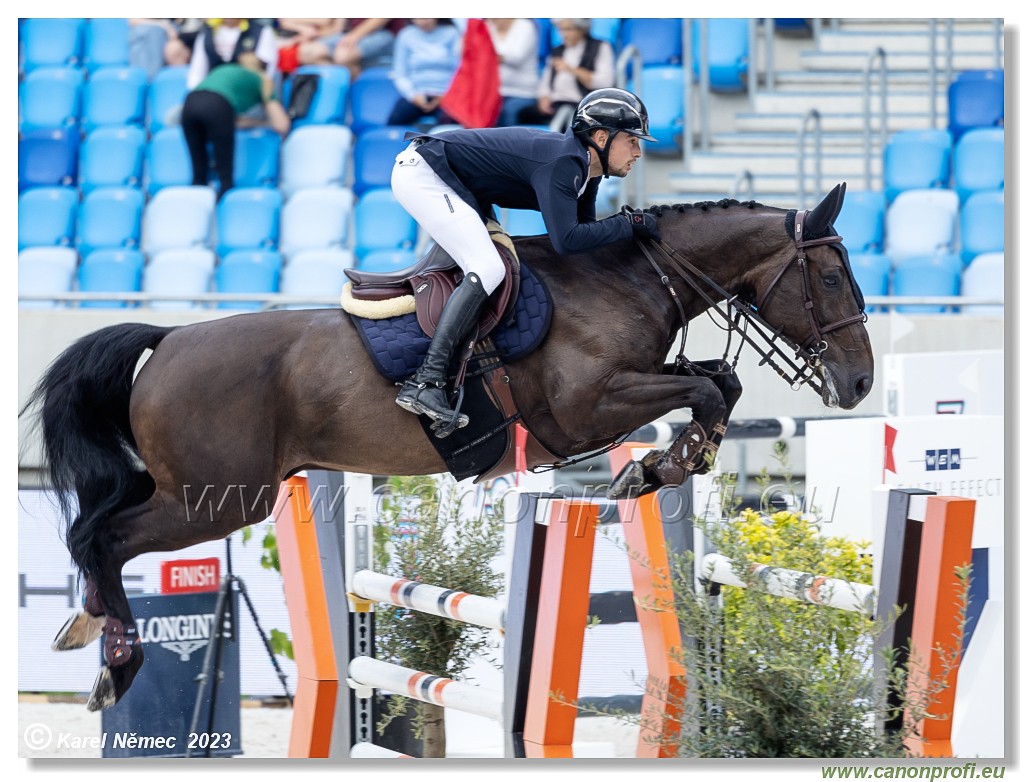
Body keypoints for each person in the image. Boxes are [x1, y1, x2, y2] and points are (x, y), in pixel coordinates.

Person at [391, 87, 659, 433]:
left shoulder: (586, 171)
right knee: (488, 267)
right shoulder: (565, 163)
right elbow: (567, 240)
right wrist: (629, 223)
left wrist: (630, 234)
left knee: (495, 264)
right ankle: (426, 381)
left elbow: (587, 240)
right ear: (601, 137)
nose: (638, 152)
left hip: (456, 183)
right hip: (425, 175)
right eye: (632, 141)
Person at [180, 52, 291, 199]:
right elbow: (282, 125)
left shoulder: (223, 70)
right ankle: (225, 207)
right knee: (225, 177)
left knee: (199, 175)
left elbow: (231, 118)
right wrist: (264, 122)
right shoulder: (261, 79)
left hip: (189, 104)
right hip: (218, 105)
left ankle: (196, 207)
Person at [518, 18, 614, 130]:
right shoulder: (557, 51)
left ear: (582, 30)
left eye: (568, 29)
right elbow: (545, 82)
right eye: (561, 30)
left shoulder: (600, 47)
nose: (564, 34)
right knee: (522, 114)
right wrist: (544, 97)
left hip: (582, 105)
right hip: (555, 104)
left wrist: (571, 70)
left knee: (567, 116)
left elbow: (604, 83)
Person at [387, 19, 462, 127]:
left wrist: (446, 95)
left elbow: (460, 70)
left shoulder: (452, 33)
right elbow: (400, 73)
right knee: (394, 122)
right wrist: (412, 95)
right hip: (416, 95)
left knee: (452, 125)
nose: (423, 21)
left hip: (446, 96)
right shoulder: (406, 35)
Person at [186, 18, 279, 88]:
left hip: (247, 94)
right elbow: (197, 71)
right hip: (214, 93)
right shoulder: (207, 32)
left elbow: (268, 73)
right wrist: (196, 94)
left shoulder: (262, 31)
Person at [486, 19, 540, 128]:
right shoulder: (489, 26)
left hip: (523, 92)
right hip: (494, 92)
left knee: (507, 111)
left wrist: (486, 54)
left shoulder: (525, 26)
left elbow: (517, 57)